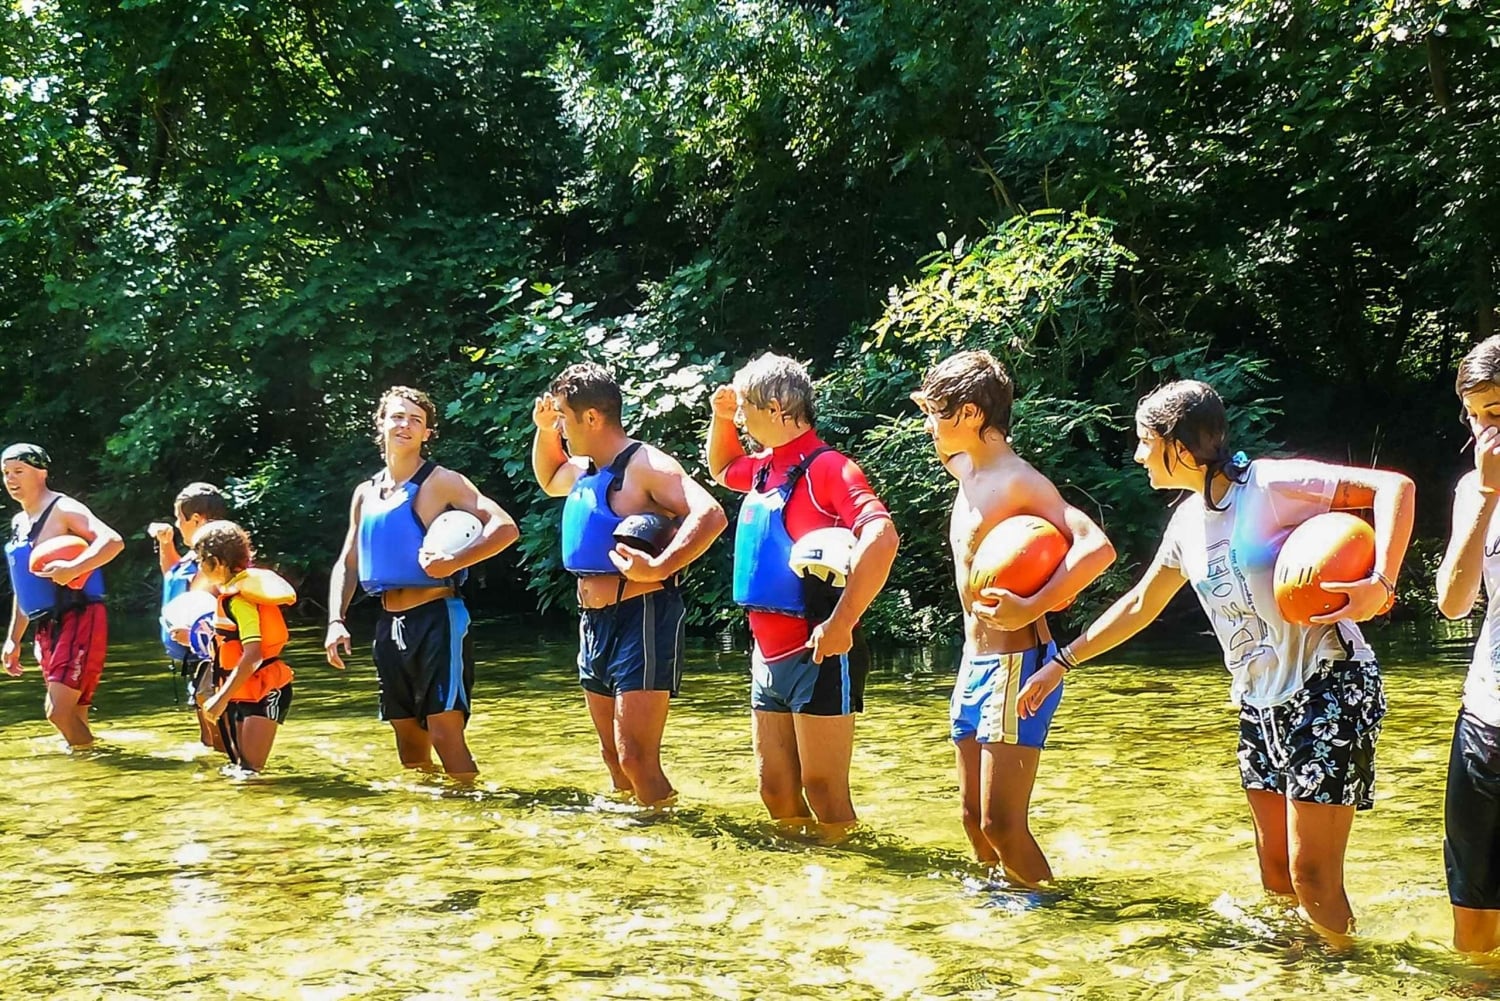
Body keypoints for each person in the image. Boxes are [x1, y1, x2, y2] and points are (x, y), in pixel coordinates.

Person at [1016, 380, 1410, 937]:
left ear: (1178, 446)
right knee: (1275, 874)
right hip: (1258, 703)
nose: (1136, 455)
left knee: (1313, 874)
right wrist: (1063, 660)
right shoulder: (1187, 522)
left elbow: (1394, 488)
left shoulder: (1272, 485)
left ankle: (1347, 977)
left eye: (1143, 441)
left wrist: (1381, 584)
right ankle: (1298, 976)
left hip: (1329, 682)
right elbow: (1139, 604)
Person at [912, 351, 1116, 886]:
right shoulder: (967, 468)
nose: (929, 424)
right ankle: (1000, 912)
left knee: (1001, 823)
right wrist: (932, 407)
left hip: (1015, 661)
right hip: (972, 661)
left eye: (937, 411)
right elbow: (942, 446)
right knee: (973, 824)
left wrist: (1036, 602)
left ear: (973, 414)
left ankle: (1047, 915)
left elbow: (1096, 549)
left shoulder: (1020, 481)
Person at [707, 353, 899, 832]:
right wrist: (720, 417)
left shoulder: (830, 468)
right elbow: (722, 465)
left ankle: (851, 885)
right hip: (766, 654)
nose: (741, 417)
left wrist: (843, 622)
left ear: (775, 407)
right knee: (774, 788)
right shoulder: (763, 469)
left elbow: (883, 535)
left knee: (825, 790)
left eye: (745, 407)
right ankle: (802, 885)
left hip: (820, 651)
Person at [532, 363, 726, 807]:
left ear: (592, 418)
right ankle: (634, 838)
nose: (561, 426)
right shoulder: (583, 468)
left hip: (642, 615)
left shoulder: (647, 465)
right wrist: (545, 431)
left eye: (562, 416)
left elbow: (711, 514)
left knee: (636, 757)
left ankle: (668, 835)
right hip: (593, 621)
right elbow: (548, 478)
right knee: (613, 757)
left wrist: (659, 566)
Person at [326, 387, 520, 780]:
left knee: (445, 731)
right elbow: (348, 560)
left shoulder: (442, 482)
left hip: (438, 617)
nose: (405, 425)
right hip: (389, 625)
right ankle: (434, 821)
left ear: (427, 433)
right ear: (380, 423)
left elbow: (505, 528)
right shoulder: (365, 493)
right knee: (409, 743)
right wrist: (336, 619)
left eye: (416, 420)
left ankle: (473, 812)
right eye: (397, 416)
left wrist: (456, 560)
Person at [1436, 334, 1500, 953]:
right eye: (1475, 417)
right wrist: (1486, 494)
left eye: (1497, 416)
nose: (1484, 434)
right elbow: (1453, 605)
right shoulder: (1473, 492)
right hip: (1486, 716)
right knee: (1474, 928)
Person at [2, 443, 123, 749]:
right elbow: (25, 587)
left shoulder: (64, 508)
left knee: (57, 712)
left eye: (19, 471)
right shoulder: (18, 523)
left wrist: (74, 567)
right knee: (74, 713)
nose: (11, 479)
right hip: (46, 625)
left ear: (41, 473)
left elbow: (112, 541)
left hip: (79, 615)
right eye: (5, 473)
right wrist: (14, 639)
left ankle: (99, 768)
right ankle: (88, 776)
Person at [192, 520, 302, 773]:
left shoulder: (240, 601)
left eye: (201, 560)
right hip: (242, 691)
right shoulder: (229, 595)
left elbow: (253, 656)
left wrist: (221, 698)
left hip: (265, 691)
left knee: (251, 772)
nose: (199, 566)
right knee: (241, 769)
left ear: (217, 562)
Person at [149, 482, 228, 747]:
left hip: (215, 654)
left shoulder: (217, 557)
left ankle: (230, 774)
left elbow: (219, 606)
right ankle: (217, 778)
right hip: (198, 654)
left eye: (178, 518)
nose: (177, 523)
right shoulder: (194, 555)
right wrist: (165, 543)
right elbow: (174, 577)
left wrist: (194, 637)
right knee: (207, 732)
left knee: (215, 718)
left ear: (196, 519)